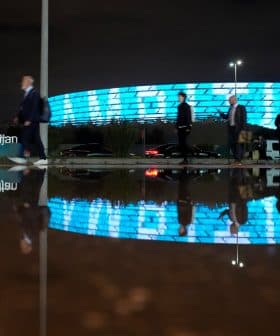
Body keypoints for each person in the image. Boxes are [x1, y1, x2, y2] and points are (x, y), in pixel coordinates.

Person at [9, 75, 48, 166]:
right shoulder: (27, 93)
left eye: (23, 81)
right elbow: (23, 108)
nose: (21, 83)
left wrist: (29, 119)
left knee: (23, 137)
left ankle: (22, 157)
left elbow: (35, 108)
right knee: (36, 139)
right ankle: (43, 158)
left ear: (28, 82)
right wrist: (18, 116)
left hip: (32, 120)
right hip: (30, 120)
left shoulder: (34, 93)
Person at [220, 95, 247, 165]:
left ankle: (238, 160)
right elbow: (227, 117)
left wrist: (243, 130)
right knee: (232, 144)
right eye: (229, 100)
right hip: (231, 129)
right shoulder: (230, 108)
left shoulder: (241, 107)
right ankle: (236, 159)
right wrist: (222, 114)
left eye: (230, 100)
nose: (229, 101)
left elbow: (244, 119)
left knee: (239, 145)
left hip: (239, 129)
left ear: (234, 100)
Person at [176, 92, 193, 165]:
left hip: (185, 128)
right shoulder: (179, 106)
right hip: (179, 128)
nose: (178, 98)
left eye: (179, 97)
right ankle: (184, 159)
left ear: (183, 97)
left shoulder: (187, 106)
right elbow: (178, 118)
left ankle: (186, 159)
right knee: (181, 144)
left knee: (184, 144)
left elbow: (189, 117)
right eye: (178, 97)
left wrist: (189, 127)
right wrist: (176, 127)